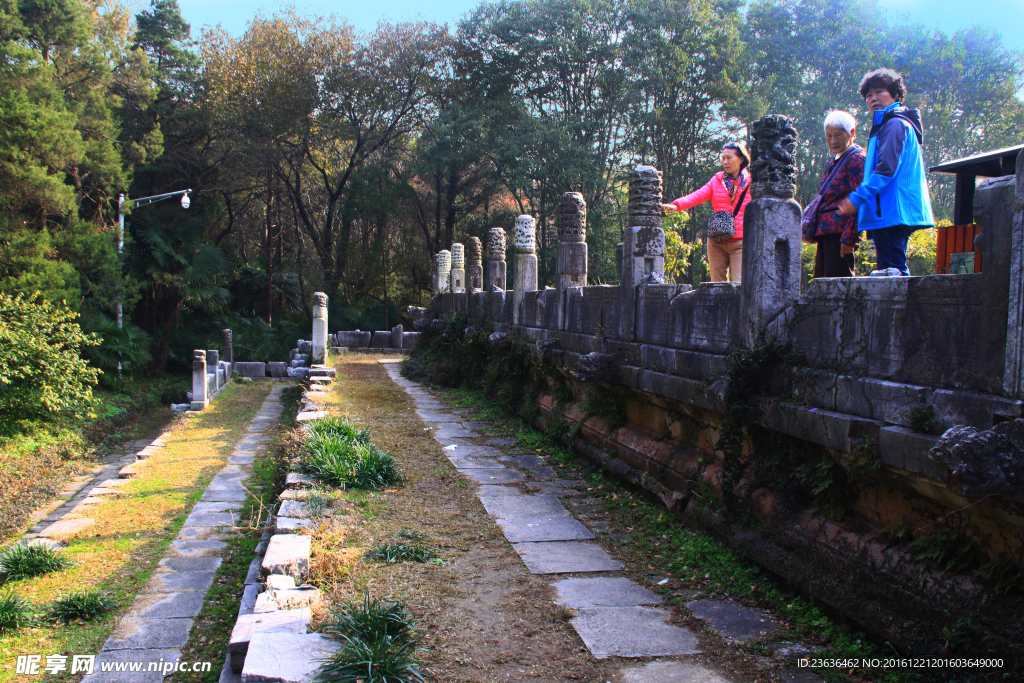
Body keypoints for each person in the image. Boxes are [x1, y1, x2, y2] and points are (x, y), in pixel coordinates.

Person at [837, 68, 934, 276]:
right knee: (893, 270)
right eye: (868, 95)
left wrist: (857, 198)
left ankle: (901, 310)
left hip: (892, 211)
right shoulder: (888, 124)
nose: (873, 98)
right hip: (892, 210)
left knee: (893, 274)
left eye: (879, 92)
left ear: (894, 94)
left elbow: (887, 169)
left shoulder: (894, 124)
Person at [662, 142, 751, 283]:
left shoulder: (752, 183)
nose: (725, 162)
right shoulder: (717, 180)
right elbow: (698, 195)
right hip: (716, 240)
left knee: (741, 285)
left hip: (741, 241)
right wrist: (677, 205)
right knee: (717, 286)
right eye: (723, 158)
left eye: (729, 158)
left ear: (741, 159)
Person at [806, 110, 866, 278]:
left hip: (841, 234)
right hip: (825, 232)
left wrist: (850, 237)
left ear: (851, 133)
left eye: (838, 135)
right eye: (829, 136)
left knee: (838, 284)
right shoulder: (835, 159)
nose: (833, 141)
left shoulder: (856, 159)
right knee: (822, 283)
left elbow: (859, 198)